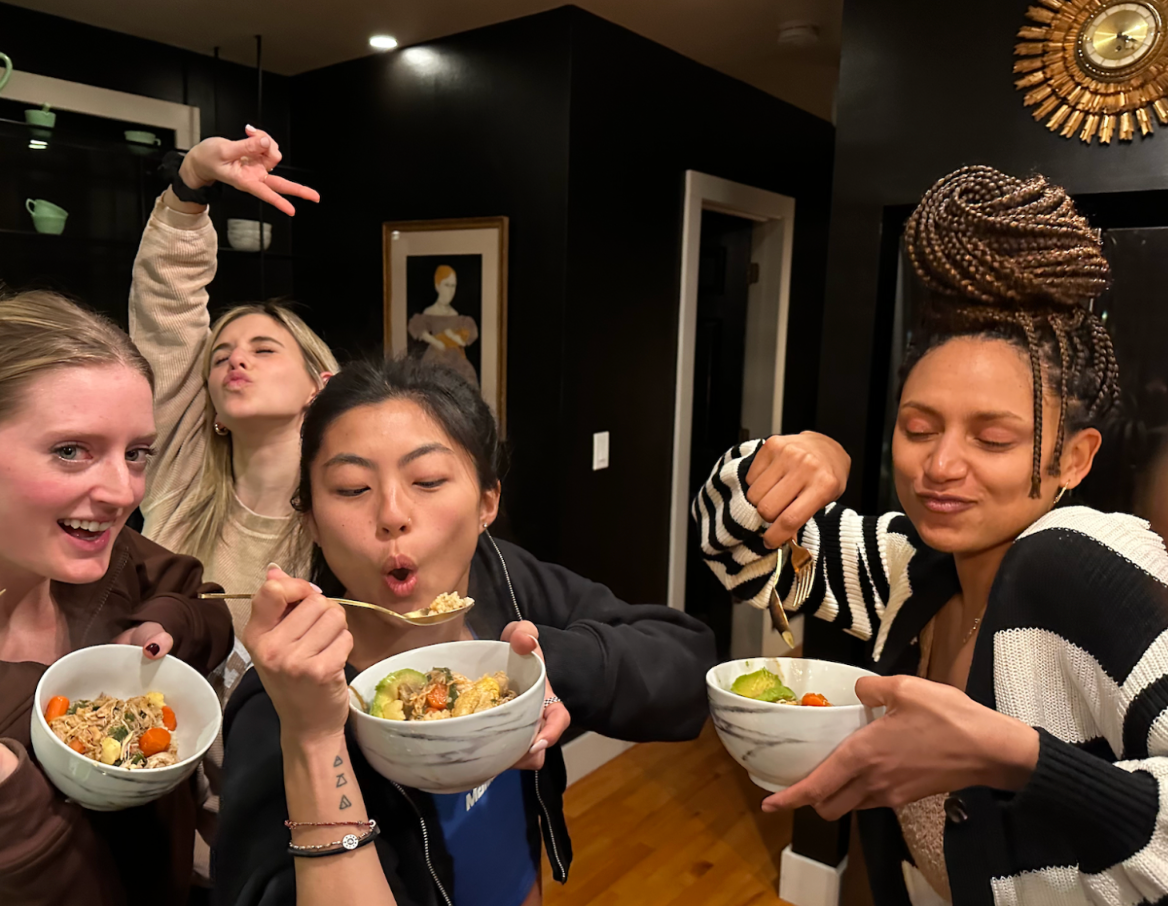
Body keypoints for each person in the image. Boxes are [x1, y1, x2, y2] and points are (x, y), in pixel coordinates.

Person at [695, 166, 1168, 905]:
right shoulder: (911, 568)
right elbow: (736, 555)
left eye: (994, 439)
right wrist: (789, 459)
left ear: (1073, 458)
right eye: (919, 428)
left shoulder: (1080, 566)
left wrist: (1015, 756)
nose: (940, 466)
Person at [214, 357, 717, 906]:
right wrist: (313, 737)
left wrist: (544, 668)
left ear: (486, 503)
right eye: (352, 487)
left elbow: (689, 666)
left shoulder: (504, 576)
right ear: (309, 516)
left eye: (427, 480)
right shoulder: (279, 706)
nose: (392, 513)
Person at [0, 288, 233, 906]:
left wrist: (164, 625)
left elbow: (199, 602)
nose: (123, 491)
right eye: (71, 451)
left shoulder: (108, 563)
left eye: (136, 453)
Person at [129, 126, 335, 651]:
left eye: (264, 350)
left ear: (321, 385)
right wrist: (190, 183)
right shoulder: (182, 474)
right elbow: (166, 309)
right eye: (220, 356)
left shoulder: (350, 510)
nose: (236, 358)